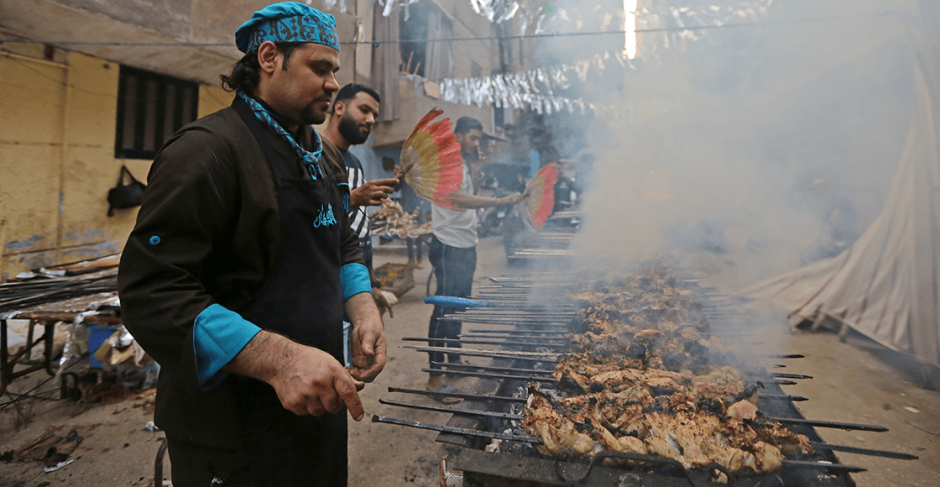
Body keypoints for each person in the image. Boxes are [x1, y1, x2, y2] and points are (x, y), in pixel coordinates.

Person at [117, 3, 385, 486]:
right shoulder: (205, 151)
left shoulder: (322, 156)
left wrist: (362, 305)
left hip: (316, 405)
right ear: (269, 57)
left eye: (335, 71)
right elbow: (153, 290)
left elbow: (341, 238)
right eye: (319, 68)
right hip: (230, 428)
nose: (333, 84)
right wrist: (280, 360)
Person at [426, 116, 524, 397]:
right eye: (472, 137)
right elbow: (458, 199)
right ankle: (434, 377)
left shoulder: (465, 164)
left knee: (458, 306)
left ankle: (454, 362)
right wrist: (499, 201)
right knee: (443, 309)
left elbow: (470, 194)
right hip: (448, 245)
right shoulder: (446, 163)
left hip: (466, 243)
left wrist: (478, 172)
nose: (476, 143)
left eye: (478, 138)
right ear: (457, 136)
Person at [321, 83, 399, 316]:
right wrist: (352, 199)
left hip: (356, 286)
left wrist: (371, 285)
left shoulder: (355, 164)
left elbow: (360, 233)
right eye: (364, 110)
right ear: (339, 108)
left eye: (374, 114)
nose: (371, 119)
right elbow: (307, 217)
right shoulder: (313, 154)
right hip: (324, 287)